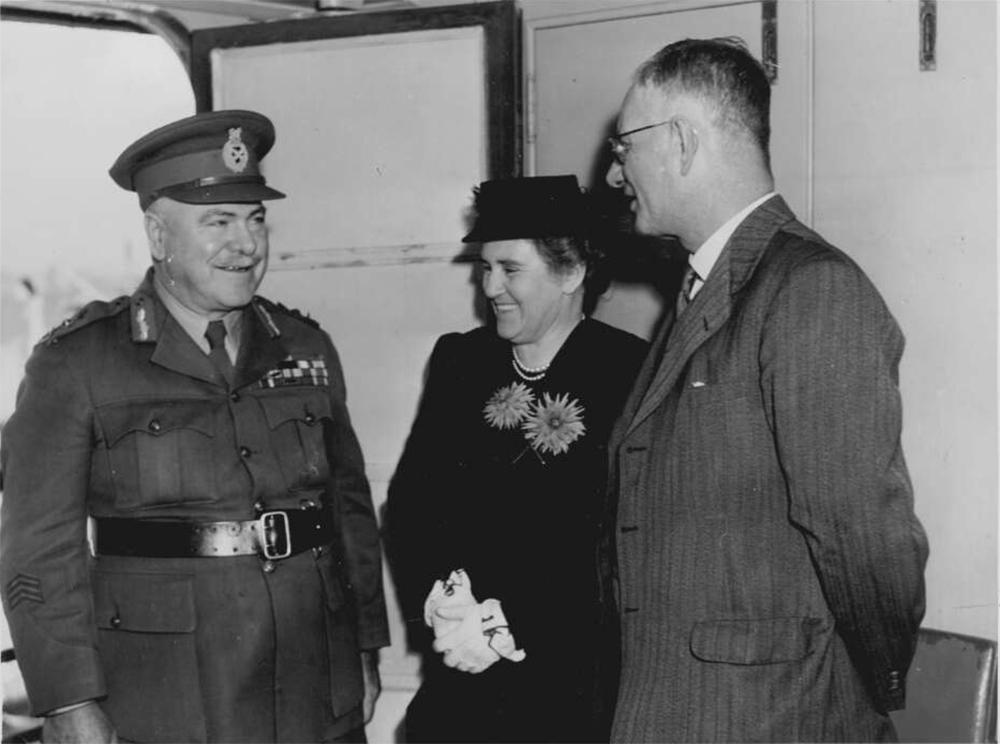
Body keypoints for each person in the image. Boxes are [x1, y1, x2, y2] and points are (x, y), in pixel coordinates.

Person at [0, 110, 390, 743]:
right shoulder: (77, 364)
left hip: (315, 687)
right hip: (166, 700)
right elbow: (39, 552)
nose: (246, 244)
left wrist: (367, 648)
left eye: (255, 219)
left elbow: (349, 511)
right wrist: (68, 702)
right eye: (218, 222)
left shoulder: (303, 345)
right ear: (159, 236)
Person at [601, 37, 929, 742]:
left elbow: (864, 536)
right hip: (682, 711)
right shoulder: (702, 289)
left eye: (625, 145)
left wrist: (869, 686)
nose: (613, 171)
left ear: (683, 142)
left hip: (773, 717)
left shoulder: (812, 289)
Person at [385, 176, 647, 743]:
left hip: (569, 692)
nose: (492, 287)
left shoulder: (630, 373)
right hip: (458, 685)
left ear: (572, 271)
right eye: (485, 268)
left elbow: (619, 543)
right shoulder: (461, 362)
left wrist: (510, 624)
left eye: (511, 268)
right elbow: (412, 504)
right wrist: (440, 602)